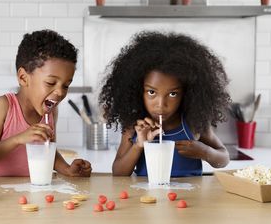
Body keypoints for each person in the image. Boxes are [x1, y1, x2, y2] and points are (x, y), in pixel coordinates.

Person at [99, 31, 231, 177]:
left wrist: (205, 152)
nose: (161, 105)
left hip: (191, 199)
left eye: (172, 94)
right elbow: (119, 173)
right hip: (146, 197)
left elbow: (224, 158)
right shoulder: (134, 126)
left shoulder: (194, 123)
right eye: (151, 92)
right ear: (138, 90)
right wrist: (139, 145)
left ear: (187, 93)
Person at [0, 29, 92, 177]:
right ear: (24, 78)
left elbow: (48, 151)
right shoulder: (4, 105)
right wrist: (18, 139)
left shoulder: (51, 112)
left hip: (28, 191)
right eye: (51, 83)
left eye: (66, 85)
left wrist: (67, 169)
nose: (60, 92)